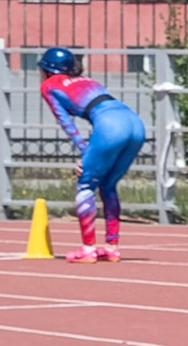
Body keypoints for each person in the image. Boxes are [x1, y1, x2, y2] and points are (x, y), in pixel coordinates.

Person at [36, 47, 145, 264]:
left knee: (86, 185)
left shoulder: (49, 85)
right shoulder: (88, 81)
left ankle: (88, 249)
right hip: (134, 122)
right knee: (108, 185)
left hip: (110, 127)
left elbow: (66, 121)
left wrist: (84, 152)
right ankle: (112, 247)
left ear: (47, 70)